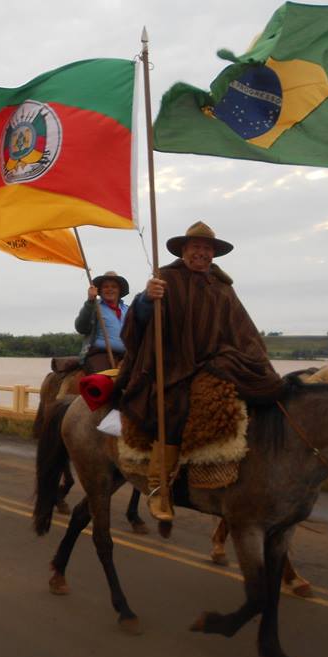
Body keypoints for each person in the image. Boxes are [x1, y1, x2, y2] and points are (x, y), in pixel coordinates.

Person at [118, 221, 283, 526]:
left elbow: (243, 330)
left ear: (214, 254)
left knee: (257, 393)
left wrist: (262, 364)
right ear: (184, 250)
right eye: (196, 247)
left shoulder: (222, 288)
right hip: (171, 365)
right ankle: (158, 485)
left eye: (207, 249)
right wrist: (145, 300)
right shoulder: (164, 279)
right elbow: (136, 326)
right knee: (173, 407)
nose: (202, 253)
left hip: (213, 361)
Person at [75, 271, 129, 373]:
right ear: (100, 290)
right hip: (100, 354)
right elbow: (81, 327)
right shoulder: (94, 307)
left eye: (114, 286)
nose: (110, 289)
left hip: (126, 356)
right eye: (106, 286)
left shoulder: (128, 310)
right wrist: (90, 301)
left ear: (119, 290)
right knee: (102, 382)